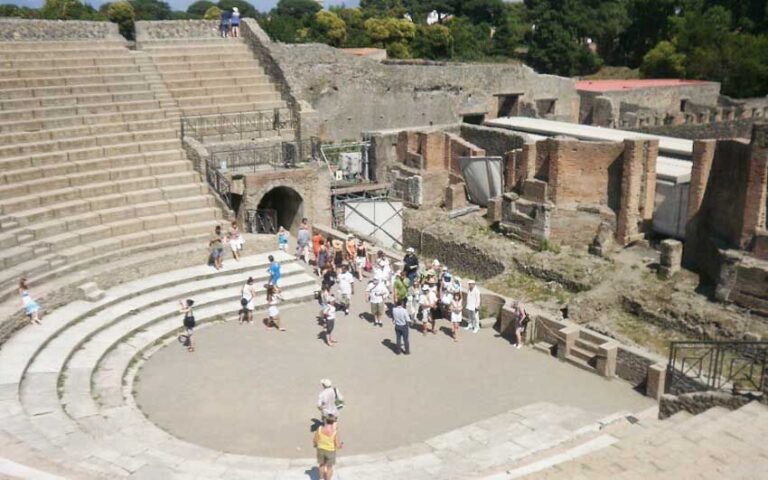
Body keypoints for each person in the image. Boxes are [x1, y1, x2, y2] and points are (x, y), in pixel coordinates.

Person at [314, 415, 342, 480]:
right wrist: (341, 445)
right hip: (330, 451)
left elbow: (315, 440)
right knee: (329, 467)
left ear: (325, 420)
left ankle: (321, 478)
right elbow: (337, 445)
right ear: (334, 422)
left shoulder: (320, 429)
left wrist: (315, 445)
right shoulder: (335, 432)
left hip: (320, 449)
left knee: (321, 465)